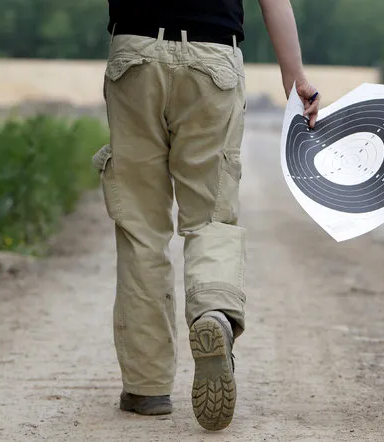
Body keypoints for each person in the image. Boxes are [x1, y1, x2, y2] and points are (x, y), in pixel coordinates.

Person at [92, 0, 320, 432]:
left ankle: (147, 386)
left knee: (142, 229)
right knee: (210, 218)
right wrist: (295, 77)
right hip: (213, 57)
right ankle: (213, 311)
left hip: (134, 54)